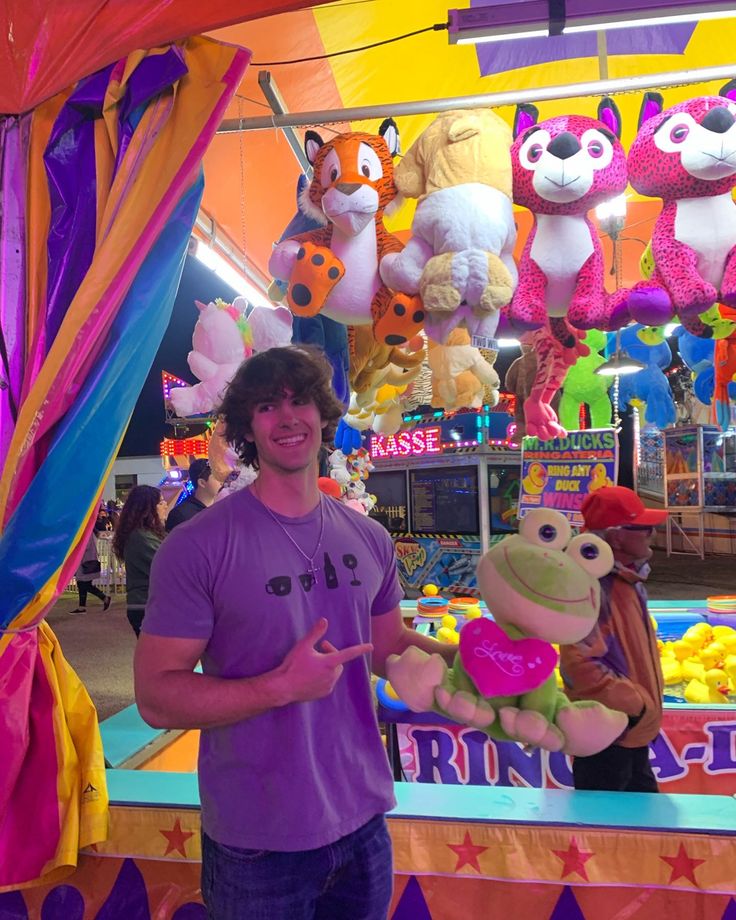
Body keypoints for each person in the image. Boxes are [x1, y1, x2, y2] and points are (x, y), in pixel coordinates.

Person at [134, 345, 458, 920]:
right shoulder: (198, 546)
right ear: (246, 428)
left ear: (324, 414)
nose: (287, 417)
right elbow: (157, 696)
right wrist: (280, 686)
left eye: (301, 400)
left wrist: (468, 659)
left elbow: (387, 648)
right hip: (258, 841)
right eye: (266, 405)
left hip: (363, 820)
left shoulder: (369, 539)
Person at [559, 485, 668, 793]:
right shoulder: (592, 587)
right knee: (606, 832)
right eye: (644, 527)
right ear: (617, 536)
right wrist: (634, 706)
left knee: (644, 827)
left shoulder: (627, 580)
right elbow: (577, 662)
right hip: (608, 736)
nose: (652, 534)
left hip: (628, 732)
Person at [113, 485, 167, 637]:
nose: (165, 505)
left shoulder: (146, 534)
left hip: (148, 603)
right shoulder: (141, 537)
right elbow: (169, 564)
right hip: (146, 604)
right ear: (148, 509)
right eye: (161, 502)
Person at [165, 458, 220, 531]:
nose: (221, 481)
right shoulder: (181, 515)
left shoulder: (222, 509)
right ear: (202, 483)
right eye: (216, 477)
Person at [71, 528, 111, 615]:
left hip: (85, 561)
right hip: (87, 561)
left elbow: (84, 547)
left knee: (84, 584)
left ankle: (104, 597)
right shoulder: (90, 533)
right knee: (83, 584)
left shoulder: (87, 533)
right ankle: (82, 607)